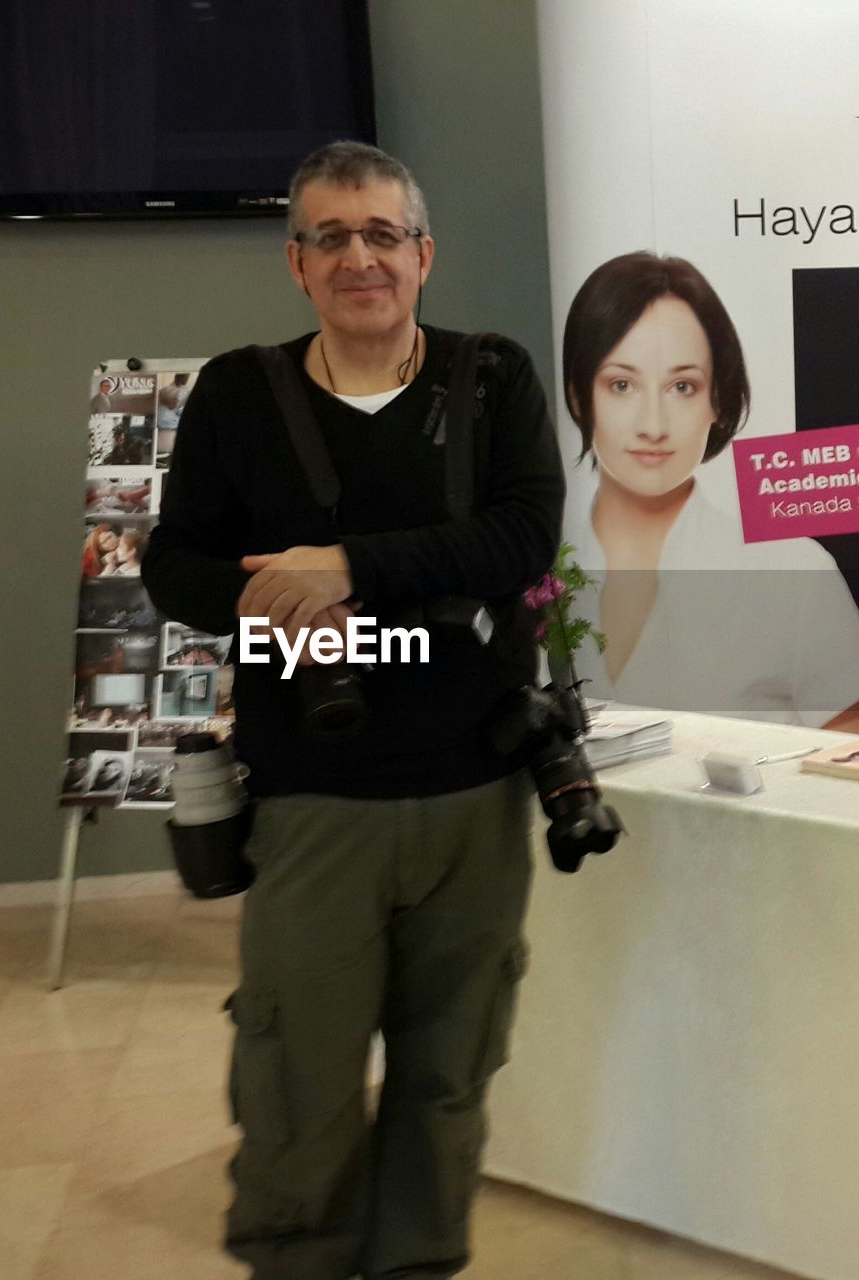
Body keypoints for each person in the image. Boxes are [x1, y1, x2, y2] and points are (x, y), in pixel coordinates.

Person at [141, 141, 565, 1279]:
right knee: (300, 1087)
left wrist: (342, 567)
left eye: (381, 234)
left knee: (447, 1078)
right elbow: (170, 562)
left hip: (475, 797)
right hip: (314, 807)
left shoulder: (490, 377)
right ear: (296, 263)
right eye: (330, 235)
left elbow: (521, 535)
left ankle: (420, 1261)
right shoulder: (240, 391)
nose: (358, 256)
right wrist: (261, 605)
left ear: (421, 256)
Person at [562, 251, 859, 728]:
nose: (652, 425)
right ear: (580, 396)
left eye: (682, 386)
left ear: (717, 399)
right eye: (622, 384)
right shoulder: (535, 570)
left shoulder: (791, 570)